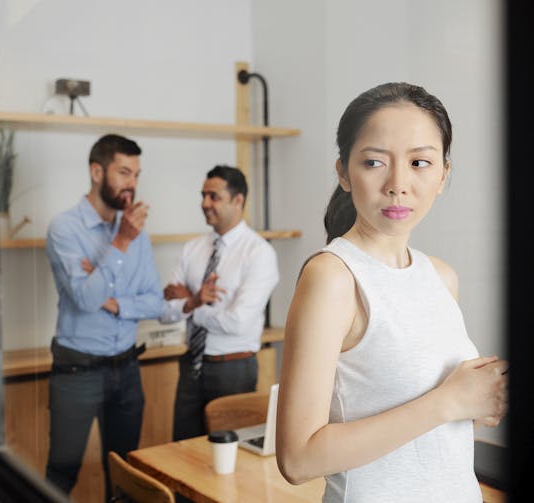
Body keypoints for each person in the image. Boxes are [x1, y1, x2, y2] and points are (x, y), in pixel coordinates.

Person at [275, 83, 508, 502]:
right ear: (344, 172)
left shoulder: (441, 277)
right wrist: (448, 403)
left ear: (443, 175)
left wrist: (479, 404)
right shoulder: (333, 277)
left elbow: (426, 434)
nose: (399, 183)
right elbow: (297, 459)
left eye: (420, 162)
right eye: (375, 162)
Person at [44, 133, 163, 500]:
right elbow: (83, 299)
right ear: (97, 172)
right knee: (61, 474)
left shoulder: (137, 233)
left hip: (127, 370)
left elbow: (155, 302)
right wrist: (121, 242)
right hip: (78, 370)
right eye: (124, 172)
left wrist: (112, 301)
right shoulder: (65, 229)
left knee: (125, 476)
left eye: (136, 175)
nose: (132, 184)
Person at [161, 165, 279, 441]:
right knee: (182, 452)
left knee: (231, 457)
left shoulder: (259, 253)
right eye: (203, 195)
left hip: (233, 370)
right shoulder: (192, 249)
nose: (204, 203)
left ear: (238, 201)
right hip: (191, 365)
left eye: (214, 196)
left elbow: (238, 323)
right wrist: (194, 301)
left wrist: (190, 306)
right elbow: (164, 312)